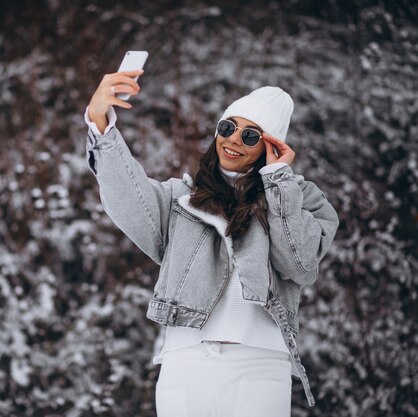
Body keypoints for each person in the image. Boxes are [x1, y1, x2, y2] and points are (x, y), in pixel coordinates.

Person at [84, 69, 339, 417]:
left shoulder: (302, 199)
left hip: (259, 367)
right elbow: (128, 197)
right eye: (227, 127)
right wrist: (101, 125)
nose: (233, 139)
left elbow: (300, 263)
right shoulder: (181, 199)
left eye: (251, 135)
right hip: (185, 364)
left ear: (272, 146)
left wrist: (278, 181)